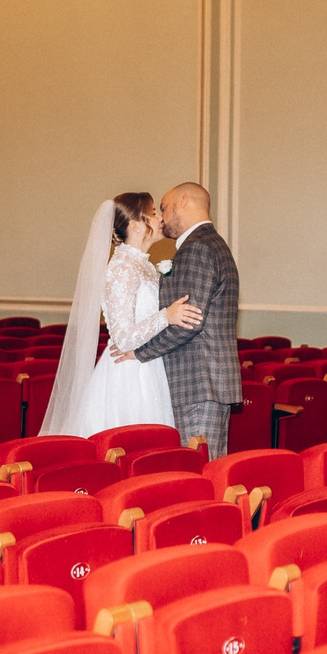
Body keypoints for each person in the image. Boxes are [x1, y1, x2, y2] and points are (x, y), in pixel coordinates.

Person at [37, 192, 203, 436]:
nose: (160, 218)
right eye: (152, 213)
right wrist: (166, 316)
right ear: (135, 225)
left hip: (149, 364)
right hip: (128, 375)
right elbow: (123, 338)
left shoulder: (145, 266)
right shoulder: (121, 268)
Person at [129, 182, 242, 456]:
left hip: (196, 383)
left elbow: (188, 321)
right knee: (205, 466)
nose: (161, 218)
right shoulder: (210, 243)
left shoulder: (198, 247)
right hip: (203, 383)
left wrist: (140, 353)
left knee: (196, 469)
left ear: (183, 201)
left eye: (164, 207)